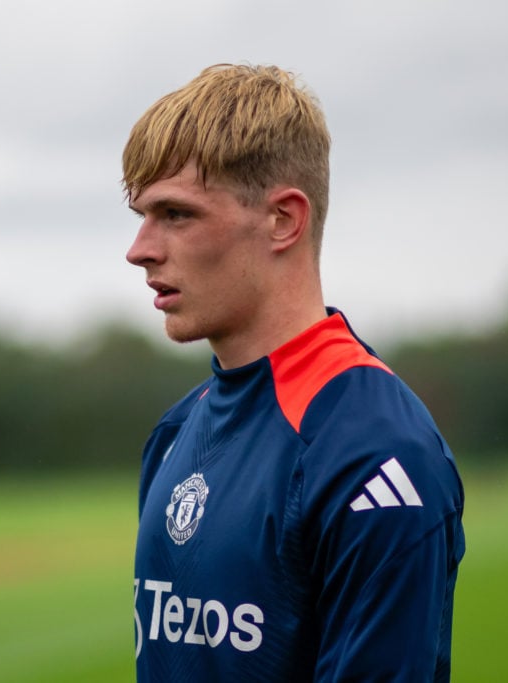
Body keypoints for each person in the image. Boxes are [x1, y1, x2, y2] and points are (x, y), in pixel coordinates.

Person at [122, 63, 466, 682]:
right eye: (142, 215)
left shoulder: (374, 453)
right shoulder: (175, 434)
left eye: (176, 214)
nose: (140, 248)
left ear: (284, 219)